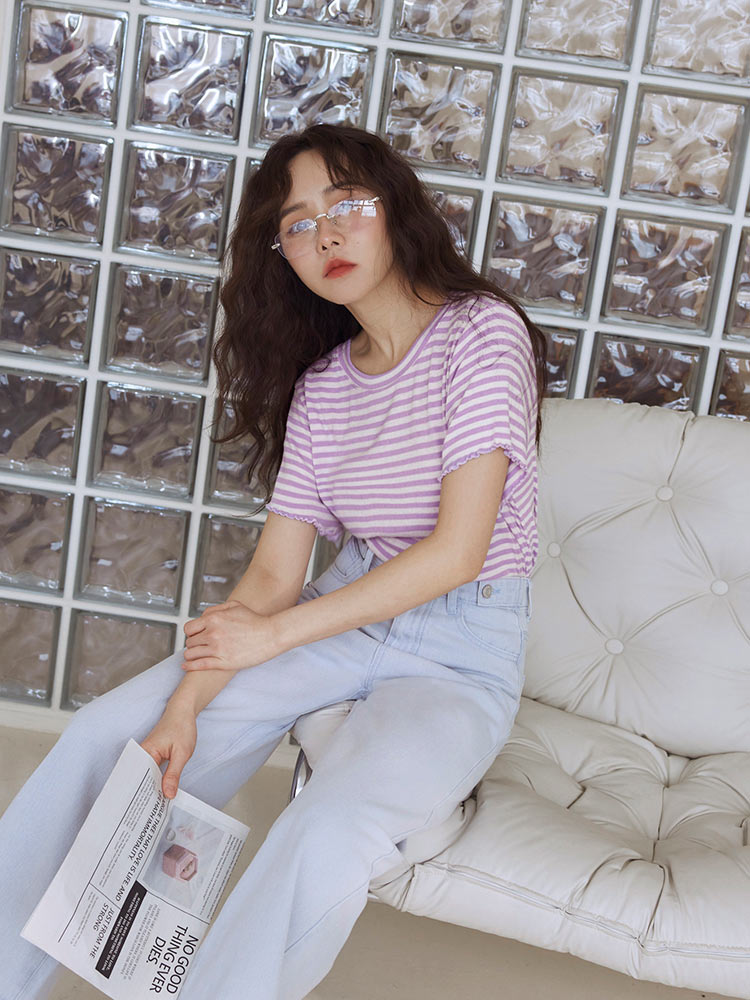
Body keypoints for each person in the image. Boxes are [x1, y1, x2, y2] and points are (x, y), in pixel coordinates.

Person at [0, 122, 549, 1000]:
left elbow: (458, 552)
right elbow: (270, 579)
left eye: (347, 204)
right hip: (338, 614)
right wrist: (184, 707)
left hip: (462, 646)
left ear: (395, 211)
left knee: (325, 830)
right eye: (297, 223)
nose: (325, 235)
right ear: (281, 255)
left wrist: (275, 636)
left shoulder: (481, 333)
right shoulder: (324, 388)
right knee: (113, 740)